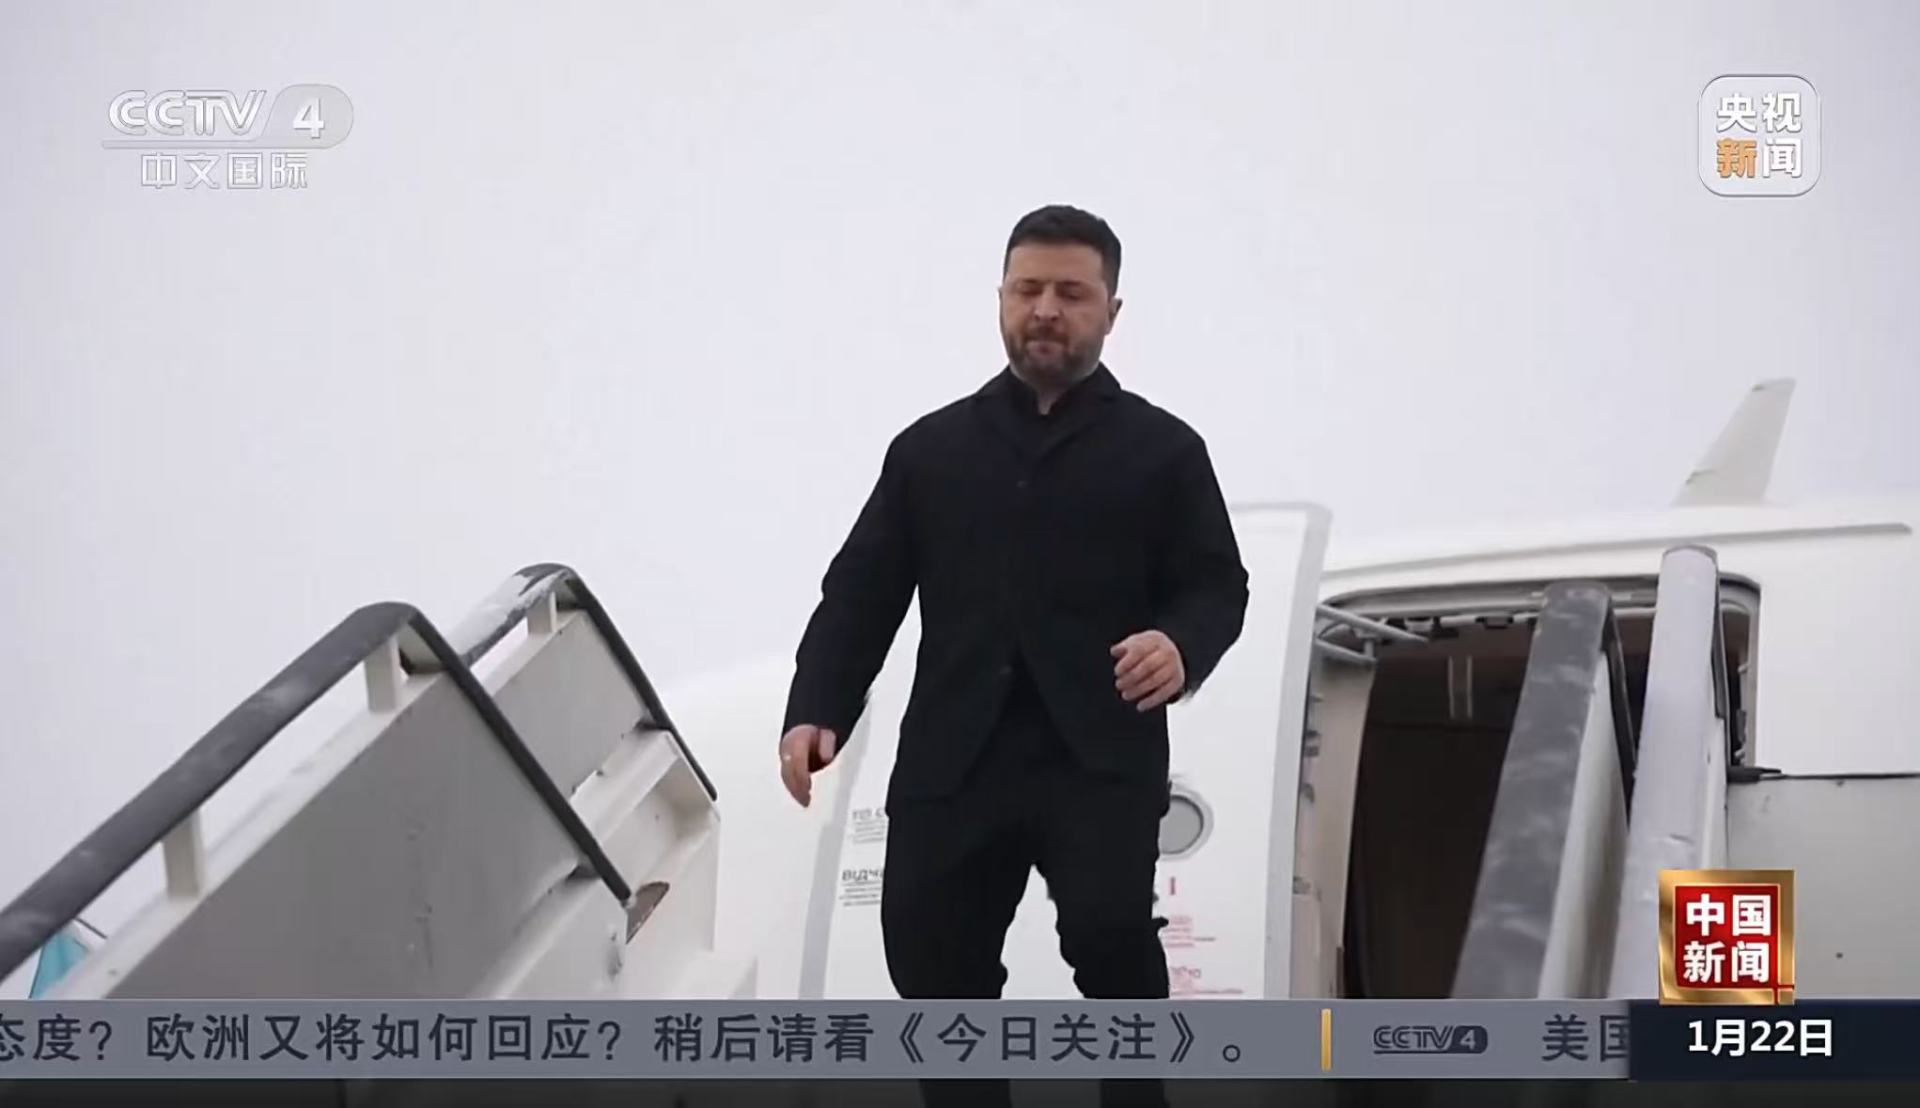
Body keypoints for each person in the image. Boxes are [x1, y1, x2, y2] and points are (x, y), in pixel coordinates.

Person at [778, 204, 1249, 1107]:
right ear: (999, 298)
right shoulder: (929, 451)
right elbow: (861, 593)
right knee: (929, 963)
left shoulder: (1164, 451)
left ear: (1112, 312)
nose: (1045, 310)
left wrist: (1180, 645)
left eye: (1072, 293)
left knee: (1111, 946)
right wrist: (816, 707)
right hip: (955, 759)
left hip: (1097, 757)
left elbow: (1216, 586)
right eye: (1027, 289)